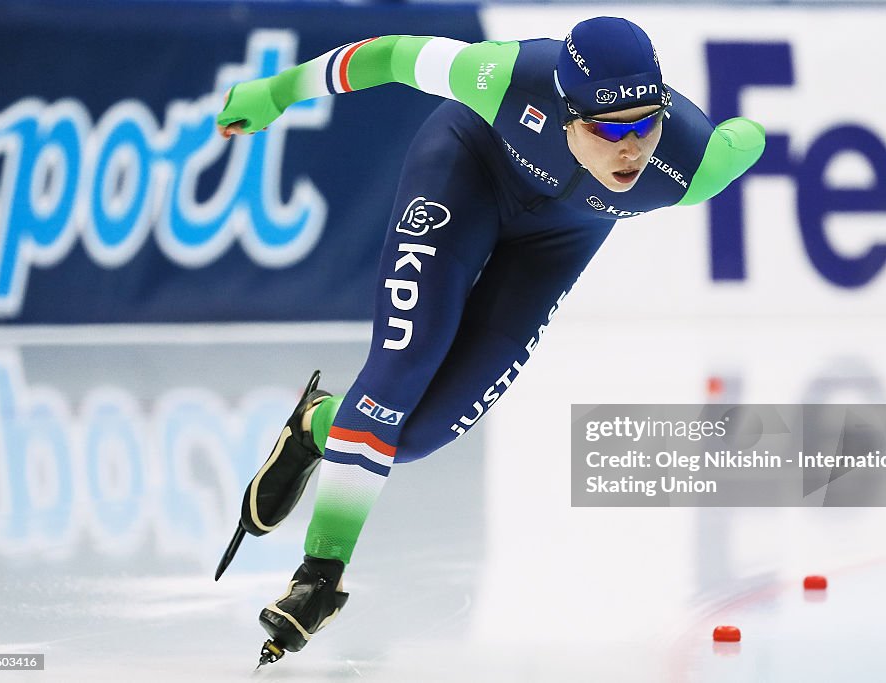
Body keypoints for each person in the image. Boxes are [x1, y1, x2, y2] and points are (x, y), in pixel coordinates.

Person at [214, 16, 765, 665]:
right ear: (562, 112)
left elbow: (747, 138)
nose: (631, 149)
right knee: (401, 366)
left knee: (413, 436)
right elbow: (388, 55)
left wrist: (741, 133)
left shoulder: (690, 165)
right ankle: (319, 577)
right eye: (608, 129)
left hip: (556, 242)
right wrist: (277, 94)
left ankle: (317, 424)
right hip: (464, 171)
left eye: (645, 123)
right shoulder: (504, 77)